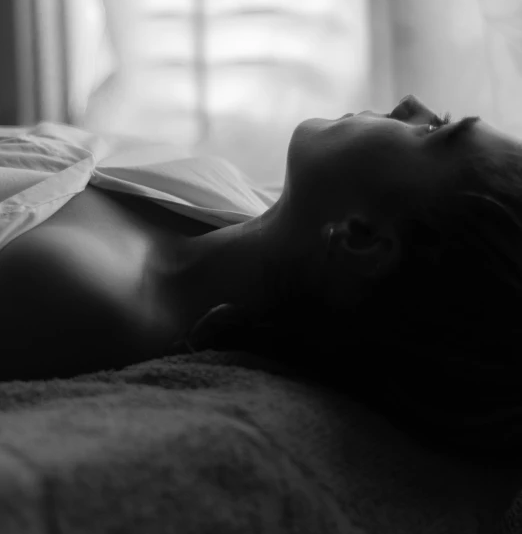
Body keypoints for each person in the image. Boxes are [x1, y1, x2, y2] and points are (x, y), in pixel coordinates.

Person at [1, 92, 521, 429]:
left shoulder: (78, 291)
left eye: (435, 133)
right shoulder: (241, 202)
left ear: (362, 238)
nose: (411, 105)